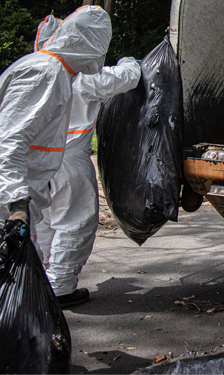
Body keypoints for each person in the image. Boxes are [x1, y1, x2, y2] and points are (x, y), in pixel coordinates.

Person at [0, 6, 112, 287]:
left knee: (5, 271)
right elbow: (8, 142)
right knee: (0, 271)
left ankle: (3, 328)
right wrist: (16, 203)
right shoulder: (44, 73)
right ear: (91, 44)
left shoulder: (53, 71)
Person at [30, 15, 141, 307]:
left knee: (43, 221)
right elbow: (129, 77)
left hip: (36, 162)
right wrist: (128, 60)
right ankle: (62, 287)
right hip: (68, 161)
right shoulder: (82, 80)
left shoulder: (35, 74)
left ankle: (37, 281)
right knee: (75, 222)